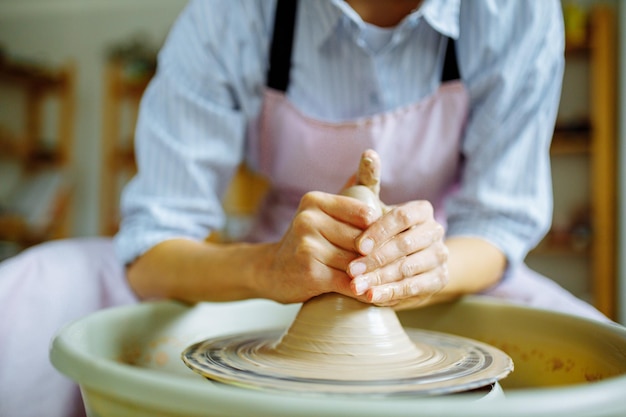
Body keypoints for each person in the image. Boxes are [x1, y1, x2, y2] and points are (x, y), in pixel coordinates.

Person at [0, 1, 610, 416]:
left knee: (605, 363)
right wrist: (269, 270)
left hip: (443, 262)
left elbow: (498, 228)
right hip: (272, 261)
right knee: (27, 295)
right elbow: (154, 242)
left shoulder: (514, 11)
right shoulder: (235, 14)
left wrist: (420, 271)